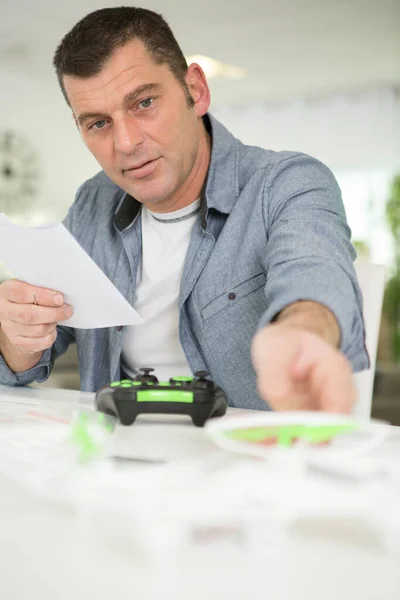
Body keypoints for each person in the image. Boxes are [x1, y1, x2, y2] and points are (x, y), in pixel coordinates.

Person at [0, 7, 369, 412]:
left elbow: (314, 273)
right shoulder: (93, 202)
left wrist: (303, 330)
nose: (125, 143)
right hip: (115, 457)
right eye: (98, 124)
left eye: (143, 103)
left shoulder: (285, 182)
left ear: (195, 90)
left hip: (251, 460)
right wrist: (18, 335)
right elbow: (27, 358)